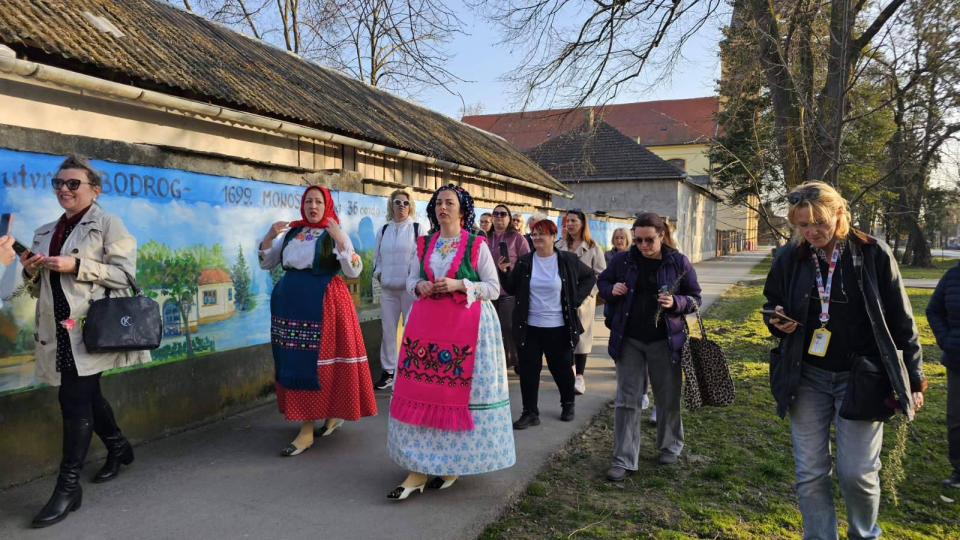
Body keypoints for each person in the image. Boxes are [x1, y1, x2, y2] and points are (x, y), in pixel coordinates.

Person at [762, 182, 926, 539]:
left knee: (858, 474)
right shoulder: (789, 256)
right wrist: (776, 320)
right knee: (810, 472)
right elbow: (772, 302)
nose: (812, 232)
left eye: (819, 222)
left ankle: (864, 534)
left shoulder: (872, 253)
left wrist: (914, 379)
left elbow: (901, 320)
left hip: (862, 378)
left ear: (839, 214)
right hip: (806, 376)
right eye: (803, 225)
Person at [20, 154, 150, 528]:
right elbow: (37, 291)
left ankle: (68, 487)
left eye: (73, 183)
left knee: (74, 399)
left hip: (90, 329)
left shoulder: (108, 224)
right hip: (56, 331)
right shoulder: (45, 231)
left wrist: (76, 265)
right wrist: (30, 272)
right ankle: (118, 447)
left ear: (95, 189)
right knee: (87, 396)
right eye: (59, 183)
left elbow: (125, 275)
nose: (64, 189)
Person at [386, 184, 515, 500]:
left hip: (465, 330)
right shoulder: (424, 243)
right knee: (422, 393)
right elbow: (411, 278)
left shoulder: (476, 244)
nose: (442, 208)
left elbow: (492, 288)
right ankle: (417, 469)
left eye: (449, 203)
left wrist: (459, 284)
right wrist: (420, 285)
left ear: (462, 210)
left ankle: (451, 465)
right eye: (438, 203)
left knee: (454, 398)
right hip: (427, 329)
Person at [258, 185, 377, 457]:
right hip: (290, 306)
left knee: (316, 362)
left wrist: (341, 240)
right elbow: (267, 263)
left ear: (327, 206)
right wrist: (269, 237)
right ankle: (323, 419)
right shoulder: (293, 233)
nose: (313, 206)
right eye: (309, 201)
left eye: (318, 202)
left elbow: (354, 270)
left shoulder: (333, 232)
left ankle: (308, 430)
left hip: (324, 303)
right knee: (295, 360)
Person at [598, 212, 701, 481]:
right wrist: (612, 290)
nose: (643, 245)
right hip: (629, 339)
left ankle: (670, 445)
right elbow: (603, 282)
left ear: (662, 236)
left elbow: (695, 298)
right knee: (627, 400)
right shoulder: (623, 260)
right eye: (638, 240)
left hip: (665, 340)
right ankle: (623, 459)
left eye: (649, 240)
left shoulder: (677, 261)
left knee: (667, 397)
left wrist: (676, 303)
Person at [498, 219, 595, 429]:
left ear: (553, 236)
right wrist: (504, 272)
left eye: (542, 233)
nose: (537, 238)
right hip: (529, 326)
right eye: (534, 234)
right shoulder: (525, 262)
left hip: (558, 326)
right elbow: (512, 288)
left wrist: (575, 299)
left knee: (561, 369)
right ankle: (530, 412)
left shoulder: (567, 260)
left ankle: (568, 403)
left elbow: (589, 277)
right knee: (528, 371)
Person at [372, 190, 420, 390]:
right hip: (388, 290)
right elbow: (376, 258)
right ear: (391, 205)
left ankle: (413, 370)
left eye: (405, 203)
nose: (401, 206)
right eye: (397, 202)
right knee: (388, 330)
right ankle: (389, 372)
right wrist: (379, 275)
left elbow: (421, 257)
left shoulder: (417, 228)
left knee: (412, 330)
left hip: (409, 290)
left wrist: (413, 279)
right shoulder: (383, 230)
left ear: (410, 206)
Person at [556, 209, 606, 394]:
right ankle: (570, 373)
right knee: (564, 337)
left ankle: (580, 377)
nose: (570, 224)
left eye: (574, 221)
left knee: (582, 339)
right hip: (560, 298)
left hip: (583, 300)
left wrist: (588, 293)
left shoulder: (593, 247)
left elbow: (601, 275)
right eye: (567, 221)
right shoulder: (559, 245)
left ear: (582, 223)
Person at [927, 265, 960, 489]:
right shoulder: (952, 276)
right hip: (957, 359)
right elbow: (934, 310)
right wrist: (947, 341)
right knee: (957, 418)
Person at [486, 204, 530, 369]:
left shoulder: (517, 238)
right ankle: (499, 361)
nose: (499, 217)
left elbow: (527, 261)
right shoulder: (485, 238)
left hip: (509, 291)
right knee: (492, 328)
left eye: (503, 214)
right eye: (496, 214)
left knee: (508, 326)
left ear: (509, 218)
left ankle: (516, 358)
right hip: (488, 291)